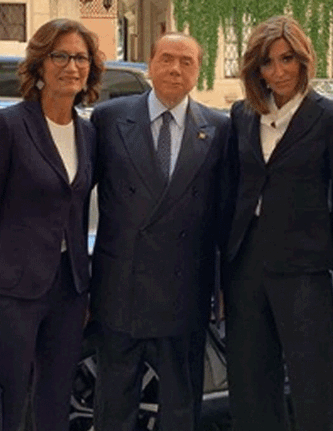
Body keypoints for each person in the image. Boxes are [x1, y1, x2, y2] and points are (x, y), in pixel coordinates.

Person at [0, 18, 103, 431]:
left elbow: (77, 211)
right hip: (13, 291)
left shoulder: (88, 133)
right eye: (60, 56)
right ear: (40, 64)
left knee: (54, 400)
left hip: (69, 291)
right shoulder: (8, 126)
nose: (72, 66)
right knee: (9, 401)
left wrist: (85, 286)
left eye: (81, 58)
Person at [89, 32, 234, 431]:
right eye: (167, 59)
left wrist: (222, 287)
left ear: (198, 72)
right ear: (149, 65)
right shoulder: (109, 119)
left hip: (185, 291)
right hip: (121, 287)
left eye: (187, 62)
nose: (175, 69)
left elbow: (224, 215)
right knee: (113, 404)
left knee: (181, 407)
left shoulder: (219, 128)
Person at [224, 15, 333, 431]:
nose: (278, 71)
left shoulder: (331, 117)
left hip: (304, 267)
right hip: (247, 264)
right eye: (267, 62)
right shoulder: (243, 114)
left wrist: (325, 253)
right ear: (256, 68)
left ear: (303, 60)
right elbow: (233, 188)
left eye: (287, 59)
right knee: (250, 381)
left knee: (312, 381)